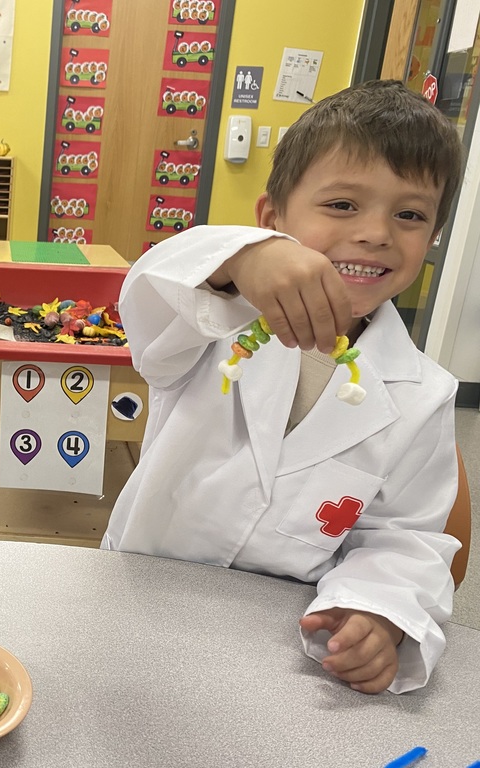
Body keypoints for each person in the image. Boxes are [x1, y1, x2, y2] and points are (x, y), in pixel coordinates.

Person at [101, 80, 464, 695]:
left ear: (431, 241)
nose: (377, 233)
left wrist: (379, 613)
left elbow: (408, 537)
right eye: (343, 205)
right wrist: (241, 260)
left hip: (278, 640)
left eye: (410, 215)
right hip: (140, 598)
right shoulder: (211, 320)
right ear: (272, 218)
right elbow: (148, 292)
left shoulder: (423, 394)